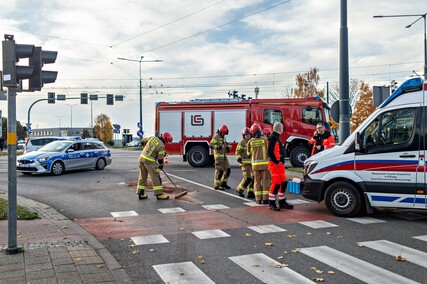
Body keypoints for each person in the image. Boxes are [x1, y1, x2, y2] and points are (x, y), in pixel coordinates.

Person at [136, 132, 173, 200]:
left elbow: (143, 141)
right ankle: (159, 194)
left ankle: (141, 194)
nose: (166, 143)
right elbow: (160, 160)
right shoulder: (161, 146)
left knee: (142, 176)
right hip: (149, 161)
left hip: (141, 158)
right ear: (165, 139)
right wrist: (161, 166)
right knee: (156, 177)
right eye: (167, 142)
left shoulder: (153, 138)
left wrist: (144, 147)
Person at [267, 122, 293, 211]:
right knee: (276, 184)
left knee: (283, 183)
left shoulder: (276, 137)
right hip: (275, 164)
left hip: (279, 164)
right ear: (280, 129)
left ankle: (282, 202)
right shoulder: (272, 137)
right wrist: (276, 161)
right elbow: (270, 152)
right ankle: (271, 203)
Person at [247, 123, 269, 204]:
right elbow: (269, 151)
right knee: (265, 181)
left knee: (257, 182)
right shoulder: (265, 140)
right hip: (265, 166)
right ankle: (265, 199)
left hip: (255, 166)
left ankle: (258, 199)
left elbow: (248, 154)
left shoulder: (250, 142)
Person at [209, 125, 231, 190]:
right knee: (219, 171)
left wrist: (228, 147)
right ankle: (217, 185)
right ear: (220, 132)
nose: (224, 134)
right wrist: (217, 147)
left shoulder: (223, 137)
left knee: (228, 170)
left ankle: (224, 183)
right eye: (223, 133)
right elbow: (211, 145)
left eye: (225, 133)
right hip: (218, 157)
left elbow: (224, 144)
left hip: (224, 156)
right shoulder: (216, 137)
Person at [235, 127, 254, 198]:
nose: (247, 135)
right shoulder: (242, 142)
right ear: (243, 135)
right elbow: (238, 152)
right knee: (247, 178)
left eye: (248, 134)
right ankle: (239, 189)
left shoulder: (252, 141)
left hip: (252, 163)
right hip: (244, 163)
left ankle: (250, 193)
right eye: (246, 134)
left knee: (253, 178)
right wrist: (238, 158)